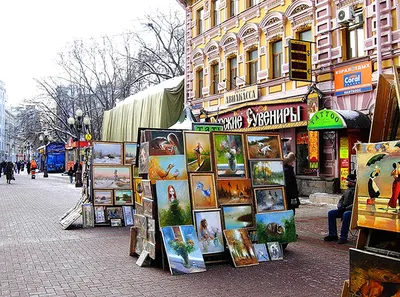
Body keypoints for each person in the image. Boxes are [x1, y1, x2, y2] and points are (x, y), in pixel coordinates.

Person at [323, 174, 357, 244]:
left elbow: (355, 203)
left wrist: (345, 208)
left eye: (348, 180)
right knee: (331, 213)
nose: (346, 182)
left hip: (351, 211)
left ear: (352, 182)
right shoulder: (347, 190)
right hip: (344, 209)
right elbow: (341, 199)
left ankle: (343, 237)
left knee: (346, 215)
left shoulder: (356, 191)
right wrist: (340, 206)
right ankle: (333, 234)